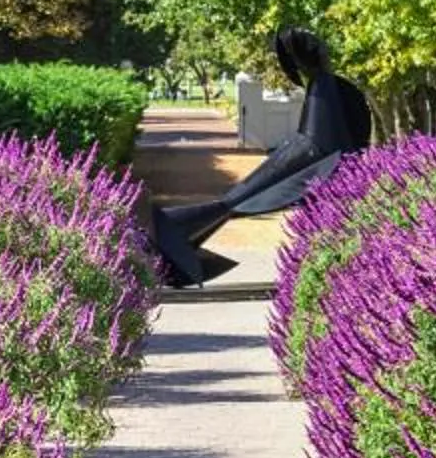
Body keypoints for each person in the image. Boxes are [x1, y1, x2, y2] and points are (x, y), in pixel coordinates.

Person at [153, 27, 371, 286]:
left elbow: (322, 140)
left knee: (237, 201)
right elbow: (320, 144)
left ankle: (183, 231)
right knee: (237, 201)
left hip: (312, 152)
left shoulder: (325, 92)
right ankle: (181, 231)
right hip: (312, 154)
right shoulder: (322, 91)